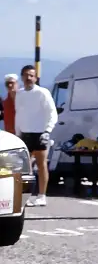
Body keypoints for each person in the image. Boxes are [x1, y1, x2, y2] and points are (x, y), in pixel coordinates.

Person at [15, 64, 58, 206]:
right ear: (22, 77)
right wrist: (17, 133)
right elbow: (19, 114)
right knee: (23, 167)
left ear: (35, 78)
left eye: (31, 75)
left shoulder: (42, 93)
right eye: (26, 75)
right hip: (25, 134)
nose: (29, 78)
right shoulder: (19, 94)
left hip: (40, 133)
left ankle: (41, 195)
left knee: (41, 165)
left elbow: (52, 113)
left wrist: (47, 131)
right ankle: (25, 195)